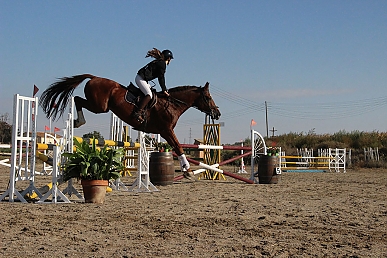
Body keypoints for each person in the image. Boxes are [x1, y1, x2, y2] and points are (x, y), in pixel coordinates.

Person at [134, 48, 173, 123]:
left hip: (142, 78)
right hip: (140, 79)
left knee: (152, 92)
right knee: (149, 95)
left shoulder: (159, 62)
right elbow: (161, 78)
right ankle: (138, 112)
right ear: (169, 58)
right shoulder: (162, 64)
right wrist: (164, 90)